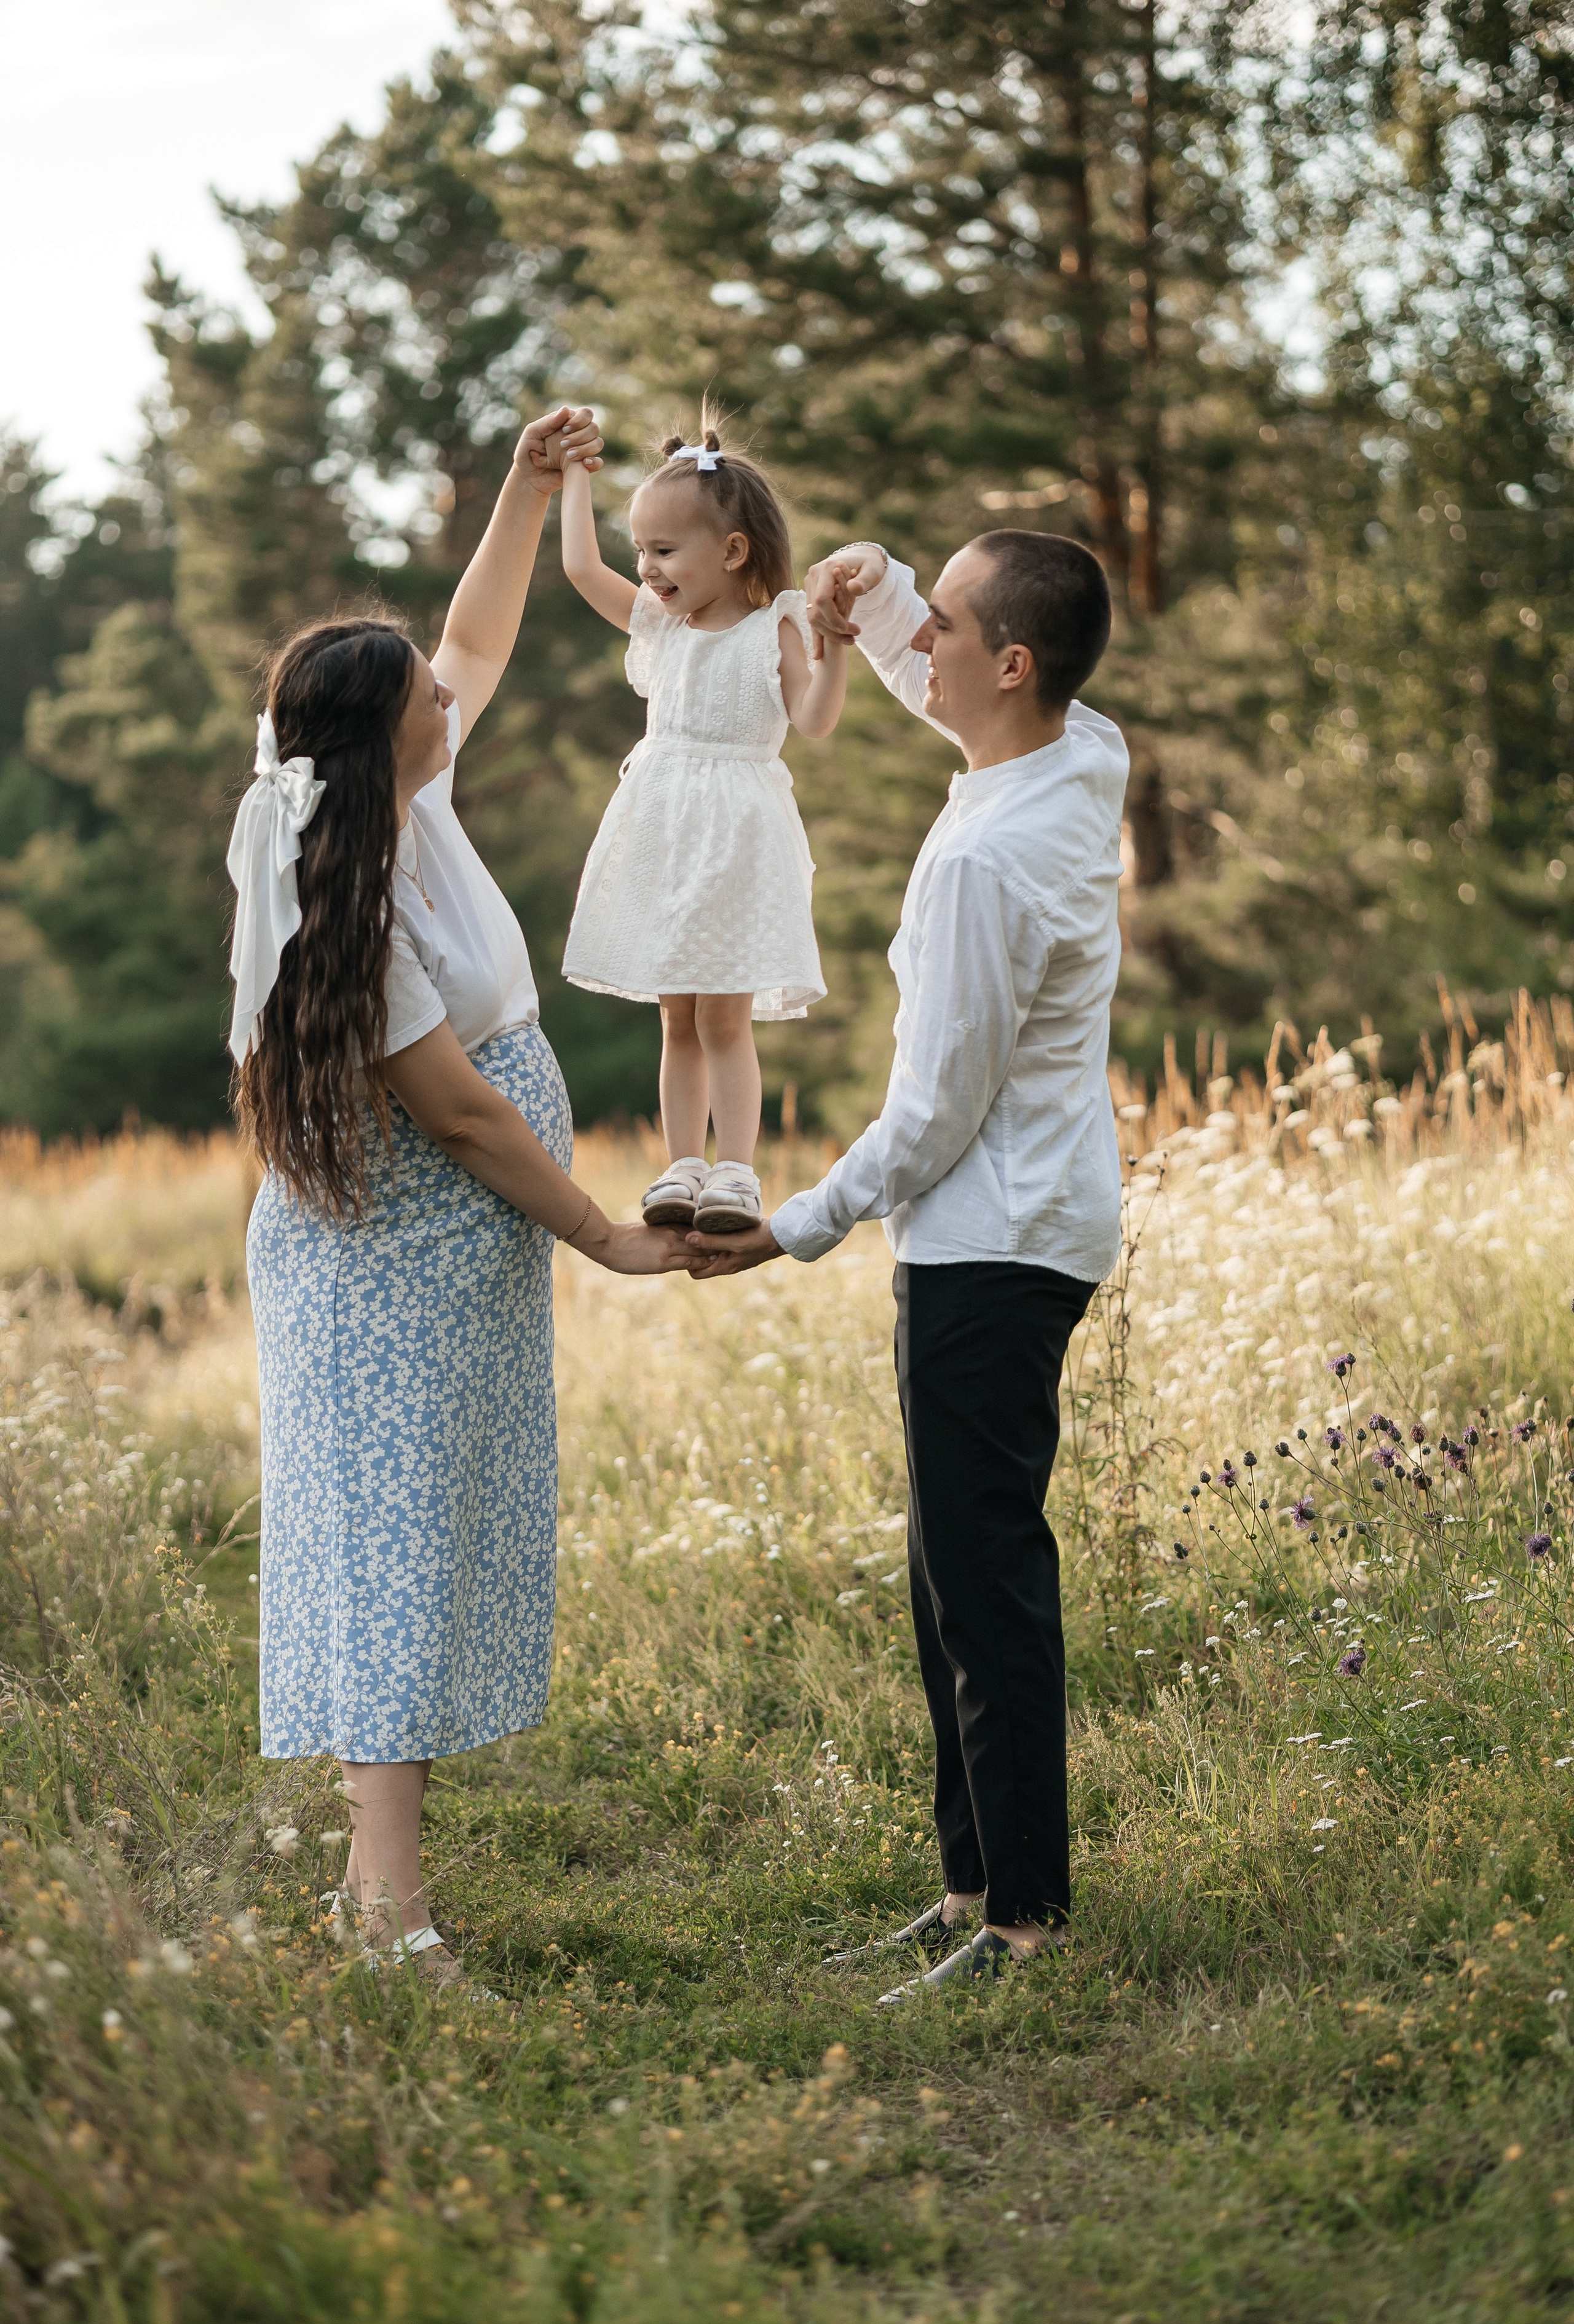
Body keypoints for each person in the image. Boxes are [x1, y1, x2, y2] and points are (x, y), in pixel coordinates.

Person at [230, 406, 702, 1989]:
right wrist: (605, 1236)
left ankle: (382, 1898)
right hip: (399, 1250)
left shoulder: (390, 807)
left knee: (417, 1547)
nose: (452, 689)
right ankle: (387, 1917)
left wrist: (526, 487)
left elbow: (474, 628)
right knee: (387, 1552)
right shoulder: (340, 907)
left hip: (439, 1253)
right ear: (387, 739)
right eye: (430, 696)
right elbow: (462, 1117)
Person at [689, 530, 1126, 2003]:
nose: (914, 646)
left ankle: (1023, 1924)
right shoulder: (1079, 754)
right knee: (949, 1571)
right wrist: (877, 596)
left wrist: (795, 1224)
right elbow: (947, 686)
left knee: (984, 1582)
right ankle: (967, 1891)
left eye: (937, 623)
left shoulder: (989, 865)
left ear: (1009, 662)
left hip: (987, 1241)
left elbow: (933, 1115)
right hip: (1019, 1225)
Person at [556, 419, 847, 1235]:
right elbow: (582, 567)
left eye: (665, 553)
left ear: (733, 551)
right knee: (675, 1017)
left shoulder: (776, 627)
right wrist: (575, 474)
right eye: (643, 552)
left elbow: (815, 719)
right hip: (664, 832)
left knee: (725, 1017)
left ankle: (737, 1173)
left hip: (735, 839)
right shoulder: (661, 626)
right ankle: (683, 1164)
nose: (647, 570)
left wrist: (837, 652)